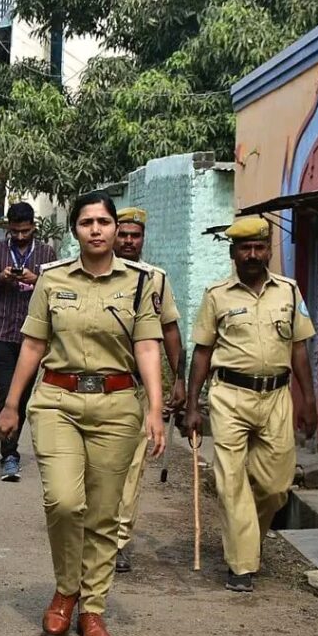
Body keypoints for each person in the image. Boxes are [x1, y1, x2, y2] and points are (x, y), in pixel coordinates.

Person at [0, 193, 166, 636]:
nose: (96, 229)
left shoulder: (140, 282)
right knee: (65, 502)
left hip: (117, 405)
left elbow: (148, 346)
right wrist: (12, 403)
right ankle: (65, 590)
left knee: (105, 512)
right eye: (87, 222)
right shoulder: (52, 279)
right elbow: (33, 343)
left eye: (104, 222)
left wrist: (154, 409)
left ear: (115, 228)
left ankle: (92, 607)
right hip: (58, 400)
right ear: (74, 229)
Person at [184, 216, 317, 593]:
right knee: (230, 481)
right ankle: (241, 565)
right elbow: (202, 352)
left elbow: (299, 349)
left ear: (268, 251)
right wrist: (192, 406)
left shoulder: (289, 292)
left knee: (276, 486)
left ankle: (247, 540)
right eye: (245, 248)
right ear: (233, 252)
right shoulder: (216, 295)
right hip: (230, 396)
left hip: (276, 397)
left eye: (259, 247)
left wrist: (309, 400)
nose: (253, 254)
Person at [111, 207, 185, 574]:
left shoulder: (156, 279)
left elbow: (170, 330)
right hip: (94, 386)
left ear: (142, 239)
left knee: (131, 468)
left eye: (134, 236)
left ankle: (118, 542)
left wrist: (179, 379)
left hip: (136, 389)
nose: (128, 241)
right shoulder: (90, 275)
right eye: (123, 234)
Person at [0, 202, 56, 482]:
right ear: (8, 228)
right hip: (0, 332)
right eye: (15, 231)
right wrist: (1, 277)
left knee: (22, 395)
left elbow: (59, 289)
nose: (21, 236)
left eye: (26, 231)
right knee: (6, 391)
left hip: (33, 336)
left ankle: (10, 442)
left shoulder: (46, 254)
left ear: (34, 227)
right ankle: (9, 454)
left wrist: (37, 280)